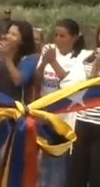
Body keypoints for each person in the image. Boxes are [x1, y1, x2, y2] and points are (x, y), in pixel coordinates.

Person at [0, 20, 38, 187]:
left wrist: (9, 59)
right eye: (8, 33)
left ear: (22, 39)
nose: (8, 36)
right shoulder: (0, 54)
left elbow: (19, 80)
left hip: (14, 113)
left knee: (7, 151)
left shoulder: (31, 58)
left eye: (13, 34)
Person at [35, 18, 91, 187]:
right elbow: (37, 80)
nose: (58, 39)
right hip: (46, 114)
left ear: (74, 37)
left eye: (63, 35)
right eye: (56, 35)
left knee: (60, 164)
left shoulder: (82, 57)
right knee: (46, 162)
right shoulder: (49, 51)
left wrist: (53, 62)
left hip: (66, 117)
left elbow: (72, 86)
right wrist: (45, 61)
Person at [67, 27, 100, 187]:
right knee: (76, 174)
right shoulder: (88, 59)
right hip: (83, 123)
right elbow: (86, 89)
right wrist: (97, 64)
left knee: (96, 176)